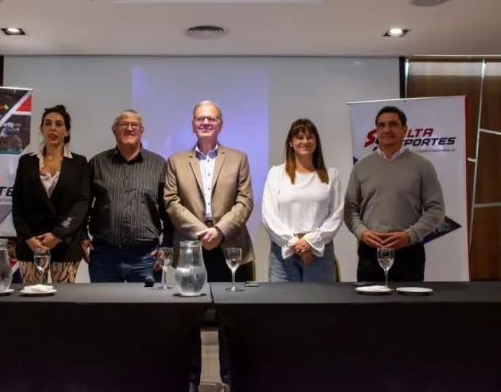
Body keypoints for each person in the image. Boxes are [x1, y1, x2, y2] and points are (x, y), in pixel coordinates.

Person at [164, 100, 254, 392]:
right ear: (192, 124)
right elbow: (171, 202)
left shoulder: (238, 158)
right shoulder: (176, 161)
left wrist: (220, 231)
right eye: (200, 119)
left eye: (211, 119)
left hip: (231, 252)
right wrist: (203, 231)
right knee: (187, 325)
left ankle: (231, 383)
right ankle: (190, 383)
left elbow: (245, 201)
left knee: (234, 325)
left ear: (220, 124)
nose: (205, 123)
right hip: (191, 252)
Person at [344, 106, 445, 282]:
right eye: (381, 125)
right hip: (370, 253)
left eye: (393, 124)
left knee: (408, 308)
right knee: (369, 307)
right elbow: (349, 208)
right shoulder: (361, 167)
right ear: (376, 131)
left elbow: (436, 209)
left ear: (404, 130)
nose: (387, 130)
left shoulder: (422, 166)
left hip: (409, 252)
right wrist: (362, 233)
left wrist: (409, 236)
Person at [82, 109, 173, 282]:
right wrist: (82, 236)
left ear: (141, 131)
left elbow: (168, 209)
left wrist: (168, 244)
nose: (129, 128)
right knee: (103, 307)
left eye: (134, 125)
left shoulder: (159, 164)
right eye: (123, 124)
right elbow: (83, 205)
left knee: (145, 307)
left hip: (146, 257)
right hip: (104, 256)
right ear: (114, 130)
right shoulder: (97, 163)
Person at [12, 104, 90, 284]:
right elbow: (17, 203)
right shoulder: (26, 162)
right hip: (31, 242)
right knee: (32, 302)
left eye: (59, 124)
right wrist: (28, 237)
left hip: (65, 242)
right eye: (48, 123)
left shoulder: (79, 163)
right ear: (41, 129)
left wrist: (58, 235)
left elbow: (82, 203)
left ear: (67, 131)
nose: (53, 128)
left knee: (63, 303)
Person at [262, 118, 343, 282]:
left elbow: (337, 214)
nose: (305, 141)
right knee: (284, 305)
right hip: (283, 253)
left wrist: (309, 242)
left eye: (310, 137)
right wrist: (293, 242)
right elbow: (269, 215)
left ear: (316, 142)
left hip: (320, 252)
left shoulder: (331, 175)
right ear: (291, 143)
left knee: (319, 306)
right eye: (299, 137)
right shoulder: (276, 174)